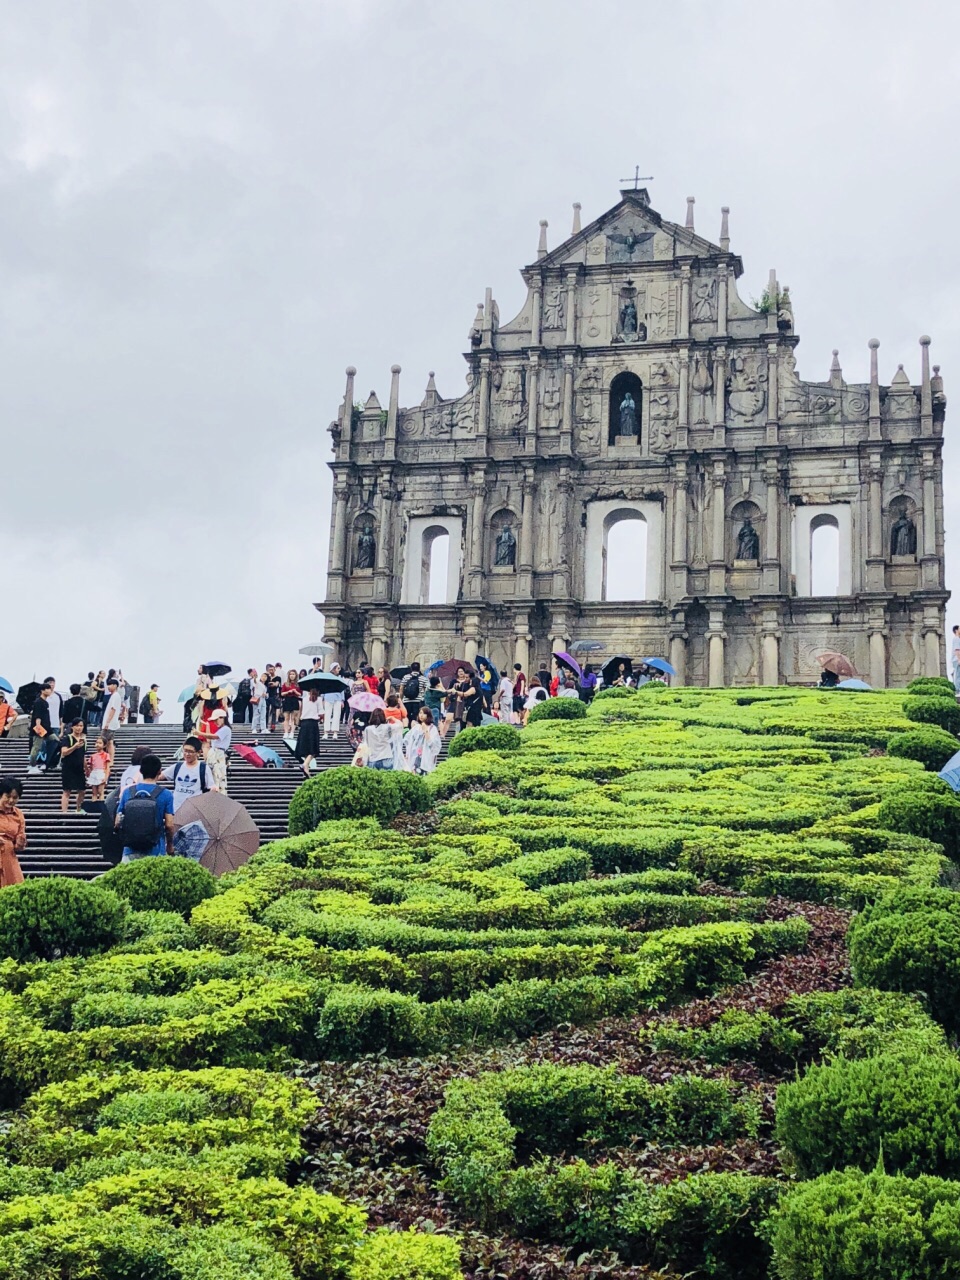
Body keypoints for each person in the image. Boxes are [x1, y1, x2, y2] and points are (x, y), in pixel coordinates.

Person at [115, 754, 175, 862]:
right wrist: (169, 845)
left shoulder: (128, 792)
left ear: (141, 771)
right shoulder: (166, 794)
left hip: (130, 849)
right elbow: (169, 825)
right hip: (156, 850)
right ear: (159, 771)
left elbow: (117, 822)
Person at [163, 737, 215, 812]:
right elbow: (160, 776)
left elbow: (211, 786)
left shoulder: (203, 768)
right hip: (176, 809)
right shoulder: (178, 766)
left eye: (190, 751)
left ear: (198, 753)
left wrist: (214, 788)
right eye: (185, 751)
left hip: (194, 811)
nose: (187, 754)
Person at [0, 776, 26, 886]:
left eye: (15, 797)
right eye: (8, 796)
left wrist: (20, 843)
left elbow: (20, 837)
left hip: (8, 857)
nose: (11, 800)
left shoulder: (18, 814)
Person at [199, 708, 231, 793]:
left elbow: (214, 737)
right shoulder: (221, 730)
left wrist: (200, 733)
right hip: (214, 753)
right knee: (213, 776)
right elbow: (209, 739)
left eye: (216, 720)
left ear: (222, 718)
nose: (215, 722)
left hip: (218, 754)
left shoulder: (226, 729)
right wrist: (207, 726)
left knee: (218, 776)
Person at [60, 719, 87, 813]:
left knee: (82, 790)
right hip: (68, 768)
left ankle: (78, 809)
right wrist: (75, 746)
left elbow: (83, 755)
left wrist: (87, 768)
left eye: (81, 726)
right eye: (77, 726)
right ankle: (64, 812)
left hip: (79, 769)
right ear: (72, 727)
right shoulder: (67, 738)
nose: (79, 728)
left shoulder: (83, 740)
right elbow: (64, 752)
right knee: (67, 791)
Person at [403, 707, 442, 774]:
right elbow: (407, 739)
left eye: (424, 713)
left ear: (428, 715)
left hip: (426, 758)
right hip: (415, 757)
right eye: (420, 713)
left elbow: (433, 744)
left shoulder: (433, 728)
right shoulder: (416, 727)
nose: (421, 715)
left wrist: (425, 731)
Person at [27, 684, 54, 773]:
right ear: (42, 691)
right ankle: (32, 765)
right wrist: (38, 727)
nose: (50, 691)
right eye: (48, 689)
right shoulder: (38, 702)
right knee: (36, 747)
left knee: (55, 741)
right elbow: (37, 716)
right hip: (40, 728)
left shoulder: (45, 702)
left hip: (47, 729)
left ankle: (51, 762)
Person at [296, 686, 322, 776]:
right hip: (313, 724)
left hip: (304, 723)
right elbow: (321, 713)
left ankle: (306, 770)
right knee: (313, 748)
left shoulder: (304, 699)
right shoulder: (318, 699)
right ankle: (305, 764)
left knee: (307, 747)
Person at [101, 676, 125, 769]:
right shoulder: (114, 696)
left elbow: (113, 709)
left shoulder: (115, 696)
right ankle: (108, 760)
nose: (109, 687)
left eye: (110, 685)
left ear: (115, 685)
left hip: (110, 724)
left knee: (108, 742)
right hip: (110, 723)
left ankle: (110, 760)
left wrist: (107, 722)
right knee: (109, 742)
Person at [322, 663, 345, 740]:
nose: (339, 670)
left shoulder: (340, 678)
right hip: (328, 697)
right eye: (337, 668)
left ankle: (335, 732)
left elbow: (342, 690)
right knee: (327, 715)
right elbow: (324, 688)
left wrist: (342, 700)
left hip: (337, 698)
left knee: (337, 715)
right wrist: (322, 697)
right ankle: (326, 732)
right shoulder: (327, 678)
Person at [86, 737, 110, 801]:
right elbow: (90, 767)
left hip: (101, 772)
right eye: (96, 743)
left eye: (100, 743)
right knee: (94, 792)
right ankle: (94, 806)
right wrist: (88, 776)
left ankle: (101, 806)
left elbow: (107, 767)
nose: (97, 744)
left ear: (104, 745)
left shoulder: (106, 755)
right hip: (94, 773)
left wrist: (106, 777)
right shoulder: (93, 756)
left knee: (100, 791)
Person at [281, 670, 301, 737]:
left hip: (295, 700)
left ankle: (292, 732)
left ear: (296, 675)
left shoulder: (298, 684)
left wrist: (295, 691)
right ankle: (286, 732)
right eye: (290, 674)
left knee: (293, 718)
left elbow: (300, 694)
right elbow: (282, 693)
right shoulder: (285, 684)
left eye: (293, 674)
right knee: (286, 717)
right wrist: (288, 692)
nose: (292, 675)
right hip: (287, 700)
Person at [264, 665, 282, 732]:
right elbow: (263, 683)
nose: (271, 671)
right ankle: (265, 726)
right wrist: (270, 683)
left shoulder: (278, 677)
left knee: (273, 711)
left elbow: (276, 684)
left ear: (274, 669)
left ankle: (273, 725)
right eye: (269, 670)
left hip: (274, 695)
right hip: (267, 695)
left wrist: (271, 683)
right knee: (266, 711)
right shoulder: (267, 677)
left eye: (272, 669)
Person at [249, 669, 267, 734]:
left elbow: (265, 694)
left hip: (263, 699)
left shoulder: (264, 686)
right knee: (256, 714)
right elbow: (254, 682)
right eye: (263, 676)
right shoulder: (257, 682)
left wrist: (265, 695)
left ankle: (263, 728)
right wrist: (254, 677)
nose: (264, 677)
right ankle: (254, 728)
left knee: (263, 714)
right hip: (257, 698)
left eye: (265, 676)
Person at [952, 624, 960, 694]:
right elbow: (957, 650)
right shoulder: (957, 639)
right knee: (958, 676)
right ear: (956, 630)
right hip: (957, 660)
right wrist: (959, 659)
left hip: (956, 660)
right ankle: (958, 691)